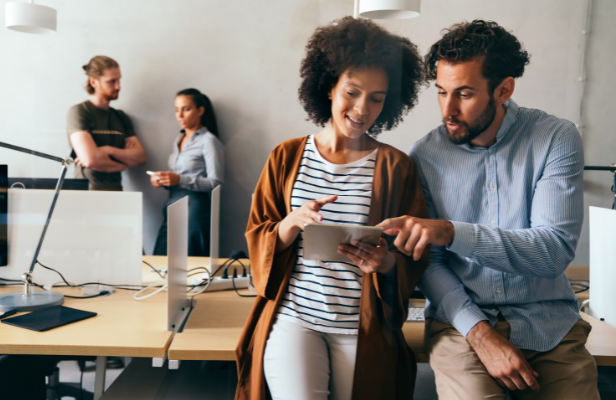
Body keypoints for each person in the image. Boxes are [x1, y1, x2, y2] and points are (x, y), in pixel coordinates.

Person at [378, 20, 599, 399]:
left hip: (549, 323)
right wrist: (480, 333)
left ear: (504, 89)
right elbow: (430, 263)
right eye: (441, 92)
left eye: (463, 94)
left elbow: (552, 252)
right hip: (460, 325)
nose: (448, 109)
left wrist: (450, 231)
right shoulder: (425, 154)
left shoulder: (555, 139)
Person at [236, 17, 427, 400]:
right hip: (295, 318)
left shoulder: (396, 166)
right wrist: (289, 225)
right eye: (352, 92)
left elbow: (415, 254)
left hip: (361, 324)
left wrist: (385, 263)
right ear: (328, 87)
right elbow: (259, 231)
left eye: (377, 98)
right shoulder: (287, 156)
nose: (362, 108)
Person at [151, 89, 224, 256]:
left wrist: (179, 179)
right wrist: (162, 181)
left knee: (190, 263)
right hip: (172, 204)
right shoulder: (179, 139)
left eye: (186, 109)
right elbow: (177, 178)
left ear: (200, 110)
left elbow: (216, 183)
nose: (180, 115)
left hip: (194, 209)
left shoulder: (209, 141)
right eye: (177, 110)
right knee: (159, 259)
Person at [67, 55, 147, 191]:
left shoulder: (121, 116)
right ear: (94, 82)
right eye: (111, 81)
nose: (118, 86)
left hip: (116, 193)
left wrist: (109, 150)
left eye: (119, 80)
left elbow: (140, 157)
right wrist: (123, 165)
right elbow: (89, 159)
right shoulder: (79, 112)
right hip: (86, 193)